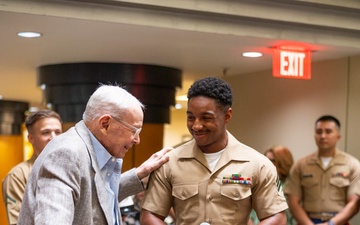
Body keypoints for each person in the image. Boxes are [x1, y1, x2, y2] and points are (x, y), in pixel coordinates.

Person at [17, 84, 173, 225]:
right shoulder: (66, 154)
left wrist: (139, 174)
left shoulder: (94, 150)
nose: (137, 140)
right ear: (105, 124)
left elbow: (95, 199)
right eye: (134, 131)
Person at [140, 77, 288, 225]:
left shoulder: (258, 164)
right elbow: (150, 216)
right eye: (191, 117)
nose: (196, 126)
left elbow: (277, 217)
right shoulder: (169, 163)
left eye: (206, 118)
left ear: (227, 116)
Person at [284, 115, 360, 225]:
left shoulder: (352, 164)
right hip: (307, 221)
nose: (323, 136)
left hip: (338, 222)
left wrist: (331, 223)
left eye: (328, 131)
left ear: (338, 136)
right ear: (314, 135)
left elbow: (355, 203)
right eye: (319, 132)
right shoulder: (301, 165)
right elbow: (293, 202)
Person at [2, 110, 63, 225]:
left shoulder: (73, 169)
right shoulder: (17, 176)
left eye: (58, 132)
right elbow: (19, 222)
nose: (53, 137)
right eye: (46, 132)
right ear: (31, 138)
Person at [248, 145, 297, 225]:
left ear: (283, 163)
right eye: (265, 159)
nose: (267, 163)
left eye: (272, 160)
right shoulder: (258, 183)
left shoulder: (290, 188)